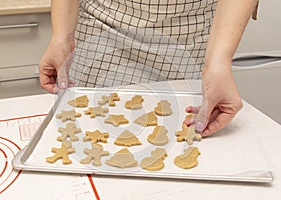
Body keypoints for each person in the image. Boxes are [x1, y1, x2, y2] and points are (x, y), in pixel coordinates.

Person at [39, 0, 259, 137]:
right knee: (93, 138)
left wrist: (218, 62)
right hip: (102, 32)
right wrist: (61, 36)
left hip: (190, 39)